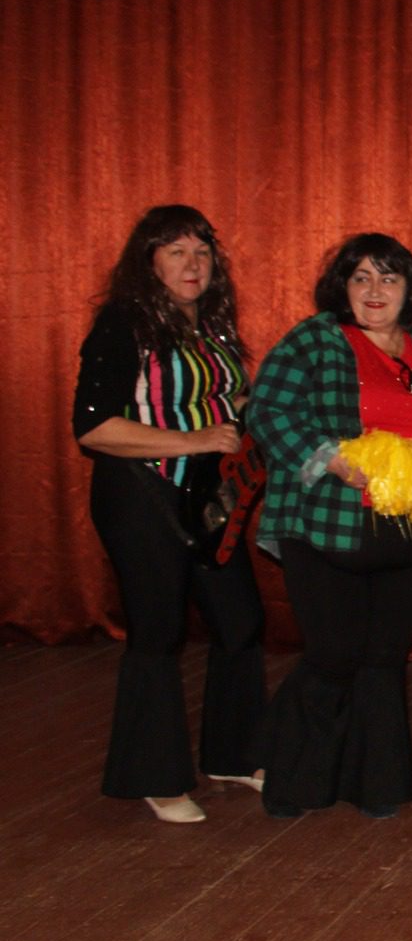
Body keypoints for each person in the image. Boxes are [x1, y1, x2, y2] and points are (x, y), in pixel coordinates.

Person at [244, 234, 412, 820]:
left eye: (388, 278)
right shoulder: (314, 340)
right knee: (333, 656)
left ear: (409, 290)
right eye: (362, 278)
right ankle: (289, 775)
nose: (375, 290)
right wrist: (328, 459)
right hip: (326, 527)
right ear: (342, 287)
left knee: (383, 659)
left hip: (409, 532)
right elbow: (267, 410)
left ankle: (376, 782)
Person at [73, 205, 266, 823]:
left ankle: (234, 755)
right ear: (148, 260)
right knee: (157, 633)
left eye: (202, 252)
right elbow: (94, 427)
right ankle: (155, 778)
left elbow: (223, 397)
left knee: (239, 620)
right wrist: (194, 440)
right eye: (177, 251)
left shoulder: (211, 325)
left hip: (207, 499)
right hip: (142, 495)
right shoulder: (123, 324)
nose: (193, 264)